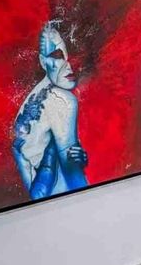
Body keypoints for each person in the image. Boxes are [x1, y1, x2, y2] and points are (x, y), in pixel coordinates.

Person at [12, 21, 88, 199]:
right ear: (42, 61)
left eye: (69, 55)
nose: (68, 65)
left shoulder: (35, 96)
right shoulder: (61, 100)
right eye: (57, 55)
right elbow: (73, 175)